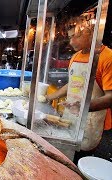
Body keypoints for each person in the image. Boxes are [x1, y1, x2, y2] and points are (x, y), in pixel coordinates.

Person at [45, 24, 112, 163]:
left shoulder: (107, 57)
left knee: (81, 162)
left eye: (76, 36)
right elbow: (74, 84)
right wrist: (50, 97)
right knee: (66, 159)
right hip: (70, 117)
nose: (71, 42)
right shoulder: (75, 57)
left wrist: (83, 107)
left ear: (91, 32)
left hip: (91, 122)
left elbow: (110, 97)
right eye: (70, 38)